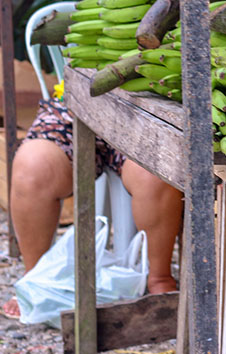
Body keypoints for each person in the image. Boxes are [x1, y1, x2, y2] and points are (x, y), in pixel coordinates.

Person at [2, 84, 183, 319]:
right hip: (75, 103)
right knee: (32, 168)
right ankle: (36, 281)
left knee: (157, 174)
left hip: (146, 109)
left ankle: (160, 278)